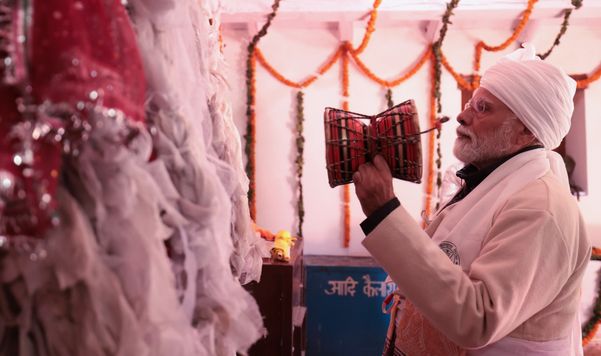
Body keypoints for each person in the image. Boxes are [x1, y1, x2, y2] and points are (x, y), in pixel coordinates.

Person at [353, 44, 591, 356]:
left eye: (482, 108)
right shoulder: (488, 183)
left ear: (525, 131)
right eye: (470, 105)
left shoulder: (540, 208)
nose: (462, 117)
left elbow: (477, 319)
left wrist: (384, 211)